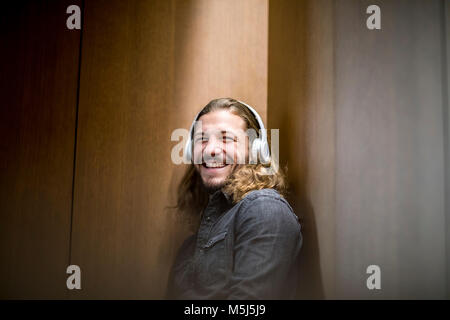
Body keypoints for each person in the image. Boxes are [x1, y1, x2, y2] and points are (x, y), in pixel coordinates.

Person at [165, 98, 302, 299]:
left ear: (254, 150)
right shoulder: (189, 247)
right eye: (202, 139)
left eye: (226, 138)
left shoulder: (264, 210)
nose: (210, 150)